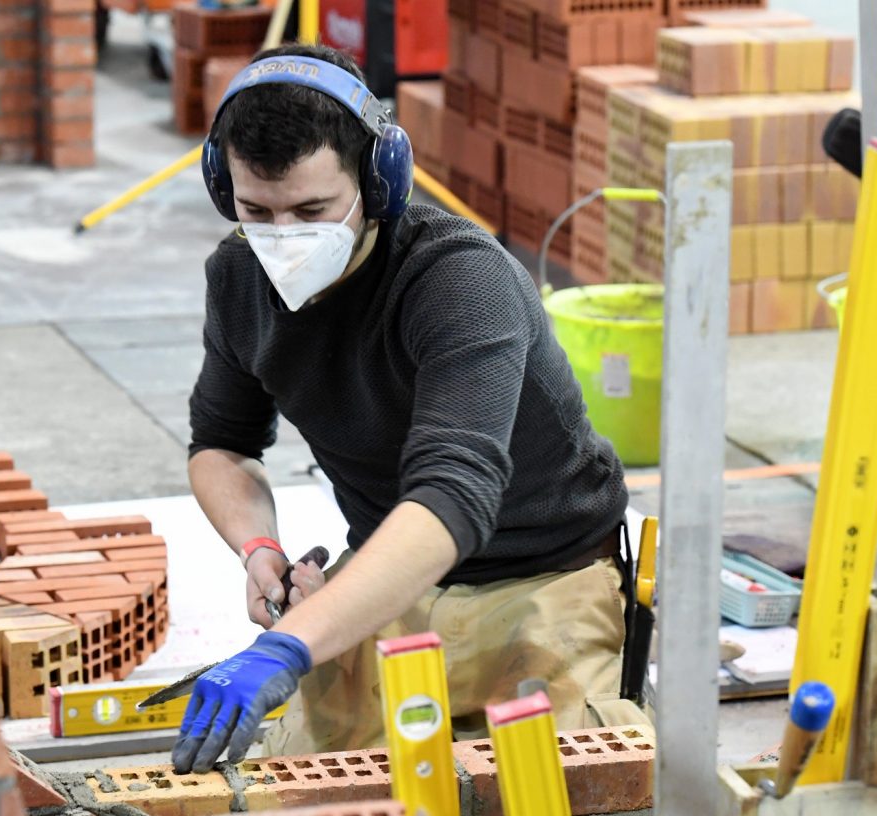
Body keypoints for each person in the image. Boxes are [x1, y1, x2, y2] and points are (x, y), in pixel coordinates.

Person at [174, 43, 631, 774]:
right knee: (307, 796)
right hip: (394, 569)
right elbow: (220, 444)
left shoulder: (458, 279)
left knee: (563, 798)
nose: (283, 237)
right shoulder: (237, 276)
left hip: (548, 577)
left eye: (313, 209)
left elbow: (454, 494)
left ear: (378, 181)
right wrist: (259, 549)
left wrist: (290, 644)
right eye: (257, 210)